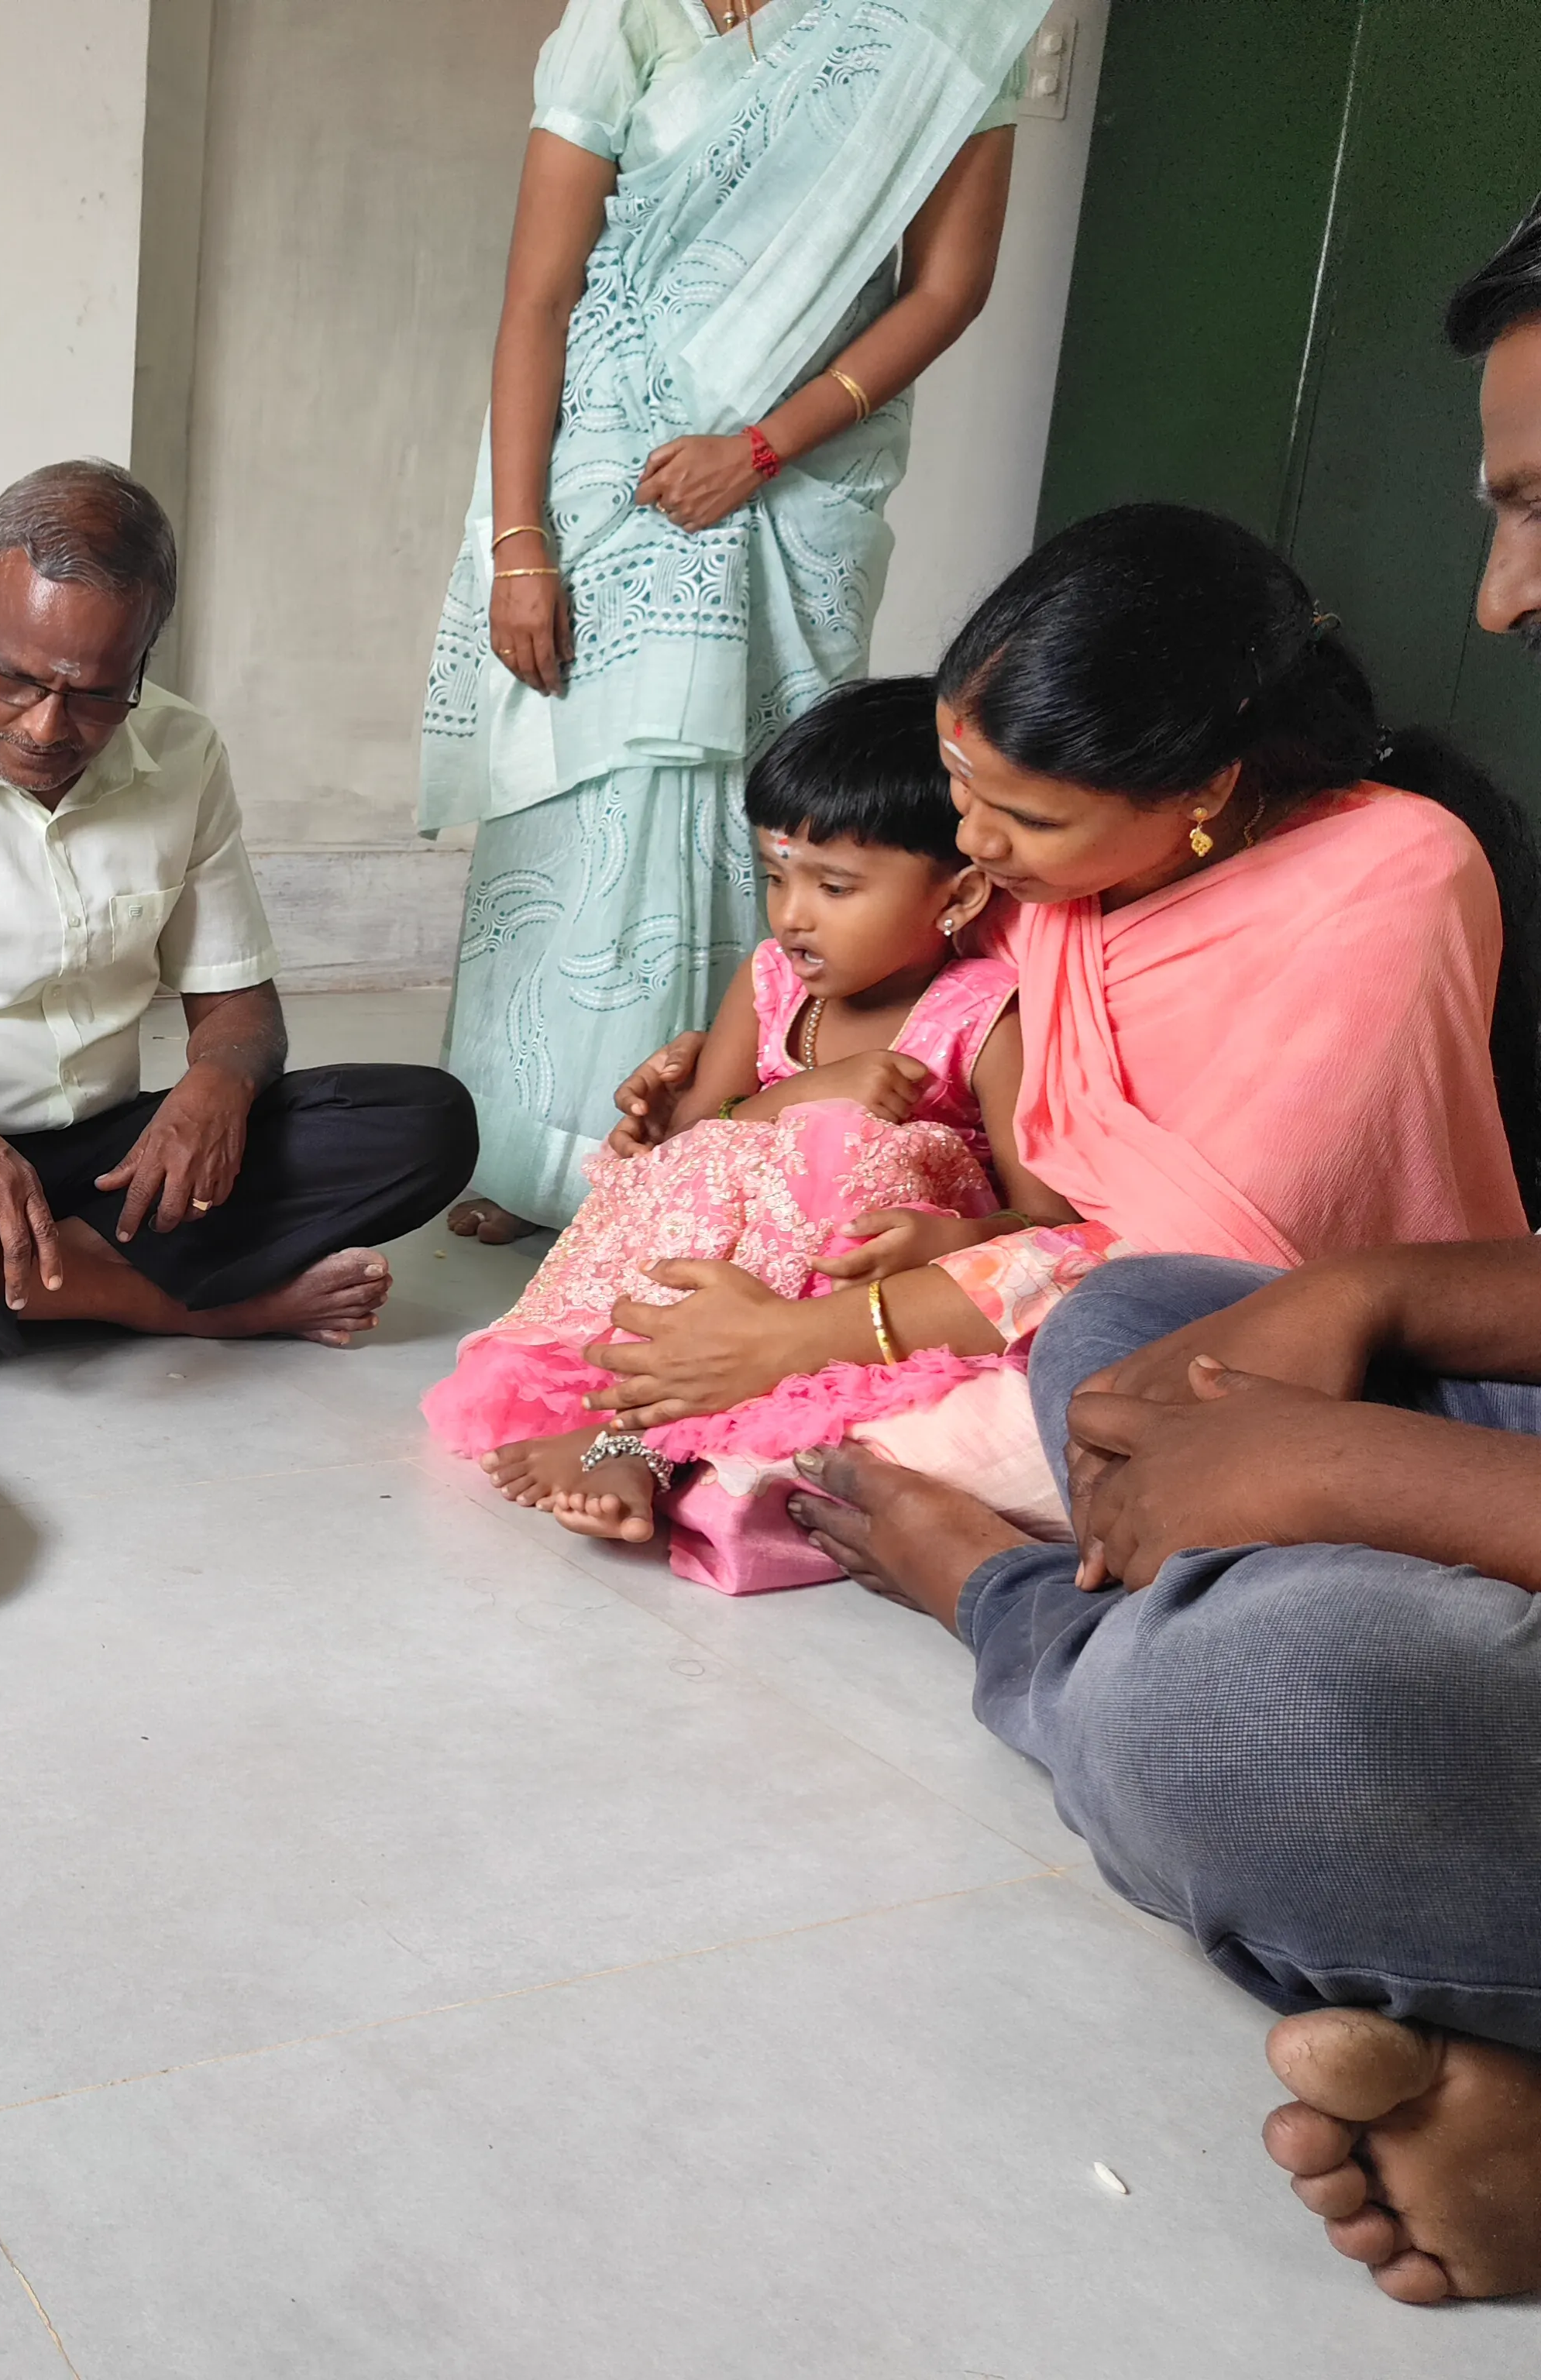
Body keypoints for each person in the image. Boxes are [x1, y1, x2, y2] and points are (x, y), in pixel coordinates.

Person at [779, 196, 1541, 2307]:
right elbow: (1118, 1214)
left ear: (1198, 797)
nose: (1503, 600)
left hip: (1412, 1546)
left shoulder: (1384, 885)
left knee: (1270, 1701)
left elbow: (1174, 1180)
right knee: (1136, 1323)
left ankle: (1030, 1632)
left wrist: (1347, 1469)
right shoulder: (1082, 901)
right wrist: (1369, 1311)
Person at [575, 503, 1539, 1458]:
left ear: (1204, 788)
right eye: (958, 781)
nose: (972, 841)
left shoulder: (1389, 876)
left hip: (1218, 1327)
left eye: (1029, 821)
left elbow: (1195, 1262)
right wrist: (731, 1098)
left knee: (1011, 1420)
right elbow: (909, 1036)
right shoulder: (1014, 867)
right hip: (965, 1265)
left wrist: (803, 1340)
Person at [424, 0, 1044, 1241]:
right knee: (578, 812)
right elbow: (540, 300)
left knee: (764, 808)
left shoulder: (946, 25)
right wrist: (517, 541)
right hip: (606, 474)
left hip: (800, 476)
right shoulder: (627, 17)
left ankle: (726, 1151)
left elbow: (949, 286)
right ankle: (539, 1149)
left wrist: (763, 448)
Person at [0, 461, 478, 1378]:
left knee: (425, 1121)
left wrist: (216, 1087)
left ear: (146, 650)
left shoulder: (183, 752)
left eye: (98, 692)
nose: (47, 727)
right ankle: (169, 1307)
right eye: (13, 680)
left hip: (107, 1166)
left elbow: (238, 1008)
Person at [423, 676, 1078, 1581]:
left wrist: (955, 1236)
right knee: (732, 1150)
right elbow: (703, 1132)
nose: (792, 913)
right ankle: (635, 1407)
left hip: (853, 1289)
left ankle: (650, 1444)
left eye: (835, 885)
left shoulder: (980, 1015)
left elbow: (1042, 1219)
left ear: (958, 896)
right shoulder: (772, 982)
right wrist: (807, 1088)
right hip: (728, 1282)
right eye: (775, 877)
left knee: (840, 1141)